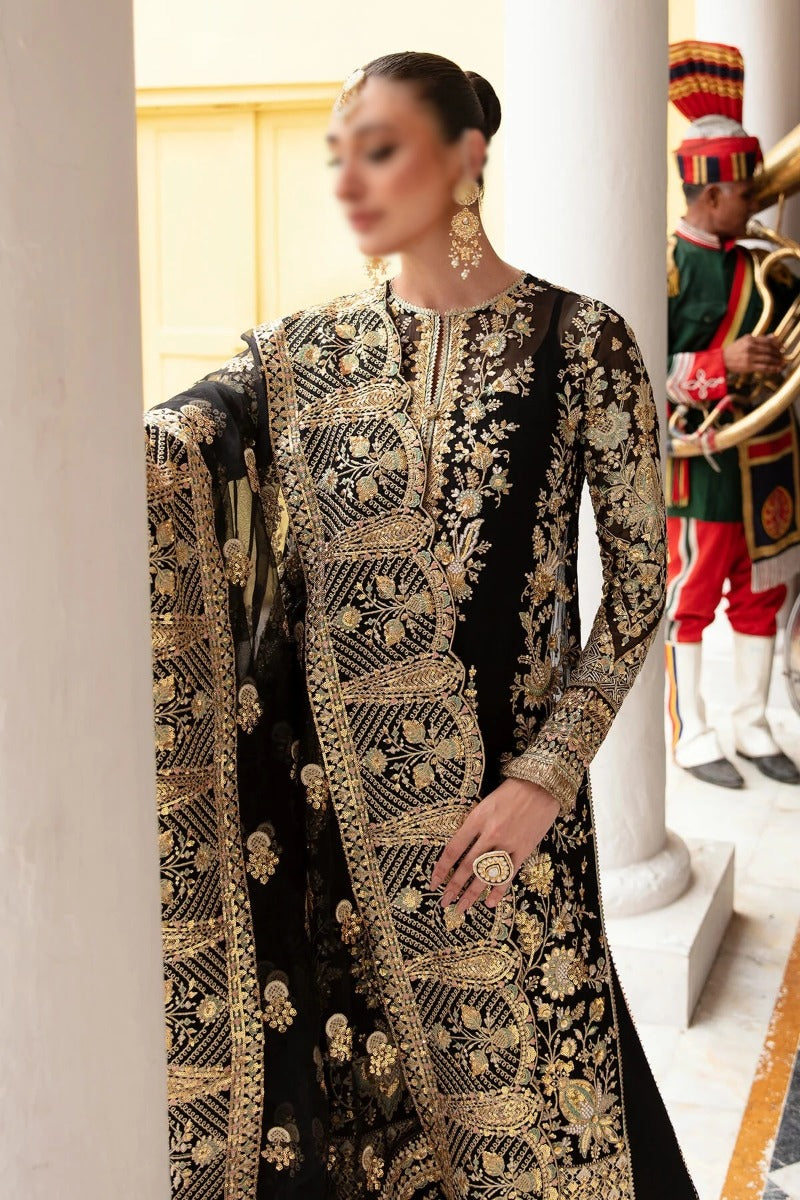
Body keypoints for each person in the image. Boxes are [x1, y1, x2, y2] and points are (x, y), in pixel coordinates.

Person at [146, 51, 697, 1200]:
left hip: (505, 823)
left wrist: (544, 779)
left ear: (462, 158)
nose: (347, 180)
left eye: (381, 149)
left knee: (534, 1118)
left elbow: (641, 585)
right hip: (337, 829)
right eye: (337, 154)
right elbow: (183, 451)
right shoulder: (303, 356)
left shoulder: (581, 342)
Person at [665, 39, 800, 788]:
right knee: (690, 598)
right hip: (705, 458)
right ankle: (693, 733)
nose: (759, 203)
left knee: (761, 593)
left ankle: (750, 722)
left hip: (769, 452)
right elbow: (638, 367)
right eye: (747, 194)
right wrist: (726, 363)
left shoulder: (763, 261)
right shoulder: (665, 265)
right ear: (711, 195)